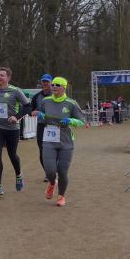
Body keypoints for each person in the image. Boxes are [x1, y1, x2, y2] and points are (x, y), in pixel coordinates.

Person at [38, 76, 86, 206]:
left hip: (66, 142)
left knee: (63, 171)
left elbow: (82, 121)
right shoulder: (45, 101)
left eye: (57, 85)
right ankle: (52, 183)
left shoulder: (71, 103)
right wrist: (41, 116)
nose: (54, 87)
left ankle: (61, 196)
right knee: (50, 171)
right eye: (53, 84)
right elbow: (42, 116)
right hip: (49, 140)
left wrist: (70, 120)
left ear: (64, 88)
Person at [0, 67, 31, 197]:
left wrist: (17, 117)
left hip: (12, 128)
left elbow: (28, 107)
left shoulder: (15, 91)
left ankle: (18, 175)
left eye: (2, 75)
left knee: (12, 155)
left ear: (8, 78)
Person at [30, 74, 53, 181]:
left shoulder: (56, 95)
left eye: (47, 81)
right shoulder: (36, 97)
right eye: (43, 81)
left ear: (51, 83)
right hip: (42, 126)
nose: (45, 83)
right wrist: (32, 112)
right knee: (42, 150)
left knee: (54, 149)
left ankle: (54, 169)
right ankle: (48, 173)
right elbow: (31, 110)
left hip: (54, 126)